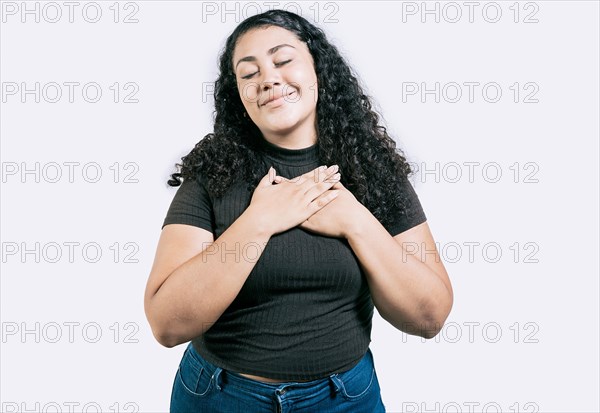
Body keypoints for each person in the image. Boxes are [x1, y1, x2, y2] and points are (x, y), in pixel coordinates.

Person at [143, 9, 453, 413]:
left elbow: (429, 317)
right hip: (220, 397)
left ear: (317, 71)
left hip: (345, 399)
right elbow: (167, 325)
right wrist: (259, 221)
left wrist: (356, 222)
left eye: (283, 60)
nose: (268, 78)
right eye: (248, 73)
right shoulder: (211, 173)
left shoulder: (373, 171)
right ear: (239, 95)